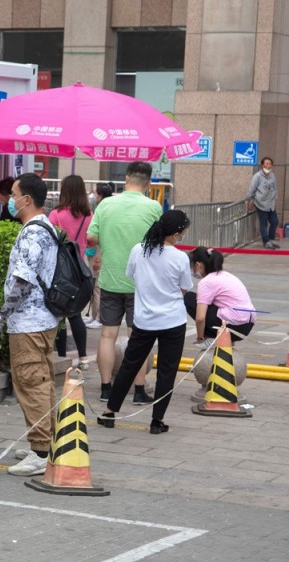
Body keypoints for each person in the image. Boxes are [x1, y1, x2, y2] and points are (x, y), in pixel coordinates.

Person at [0, 173, 60, 477]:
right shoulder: (47, 227)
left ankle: (40, 452)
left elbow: (22, 282)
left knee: (31, 384)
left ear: (27, 199)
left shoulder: (31, 234)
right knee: (42, 382)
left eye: (14, 195)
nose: (11, 200)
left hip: (28, 322)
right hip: (44, 319)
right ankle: (48, 443)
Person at [97, 210, 193, 435]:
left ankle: (110, 412)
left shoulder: (138, 250)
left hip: (144, 319)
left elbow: (131, 275)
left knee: (128, 366)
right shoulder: (179, 257)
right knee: (167, 372)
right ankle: (157, 421)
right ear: (176, 233)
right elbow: (185, 287)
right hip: (172, 320)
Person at [87, 162, 162, 404]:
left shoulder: (106, 204)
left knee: (108, 335)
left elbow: (91, 237)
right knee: (137, 337)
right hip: (141, 284)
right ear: (148, 183)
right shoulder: (153, 207)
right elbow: (160, 242)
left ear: (126, 178)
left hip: (110, 279)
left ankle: (105, 388)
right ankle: (138, 390)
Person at [47, 175, 92, 369]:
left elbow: (49, 239)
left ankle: (62, 358)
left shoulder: (56, 214)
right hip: (80, 271)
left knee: (60, 315)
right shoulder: (89, 216)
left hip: (60, 270)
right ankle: (83, 358)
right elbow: (91, 241)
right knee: (76, 315)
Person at [186, 246, 256, 347]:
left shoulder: (207, 282)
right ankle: (226, 338)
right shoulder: (226, 275)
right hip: (246, 326)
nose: (192, 270)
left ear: (198, 265)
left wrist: (200, 337)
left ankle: (210, 337)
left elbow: (200, 318)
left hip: (234, 327)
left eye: (192, 266)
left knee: (188, 297)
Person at [85, 183, 115, 329]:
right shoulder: (112, 207)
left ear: (100, 195)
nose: (94, 196)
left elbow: (94, 235)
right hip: (104, 250)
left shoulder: (102, 209)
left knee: (97, 285)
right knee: (96, 285)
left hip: (100, 250)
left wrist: (98, 255)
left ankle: (99, 317)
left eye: (96, 193)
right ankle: (95, 315)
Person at [246, 156, 280, 249]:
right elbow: (251, 190)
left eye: (270, 164)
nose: (268, 166)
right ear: (262, 165)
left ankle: (271, 239)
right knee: (263, 223)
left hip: (271, 204)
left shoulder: (272, 176)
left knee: (275, 221)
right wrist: (250, 201)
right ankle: (266, 241)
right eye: (266, 164)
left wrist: (275, 199)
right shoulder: (257, 176)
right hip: (260, 203)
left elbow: (275, 188)